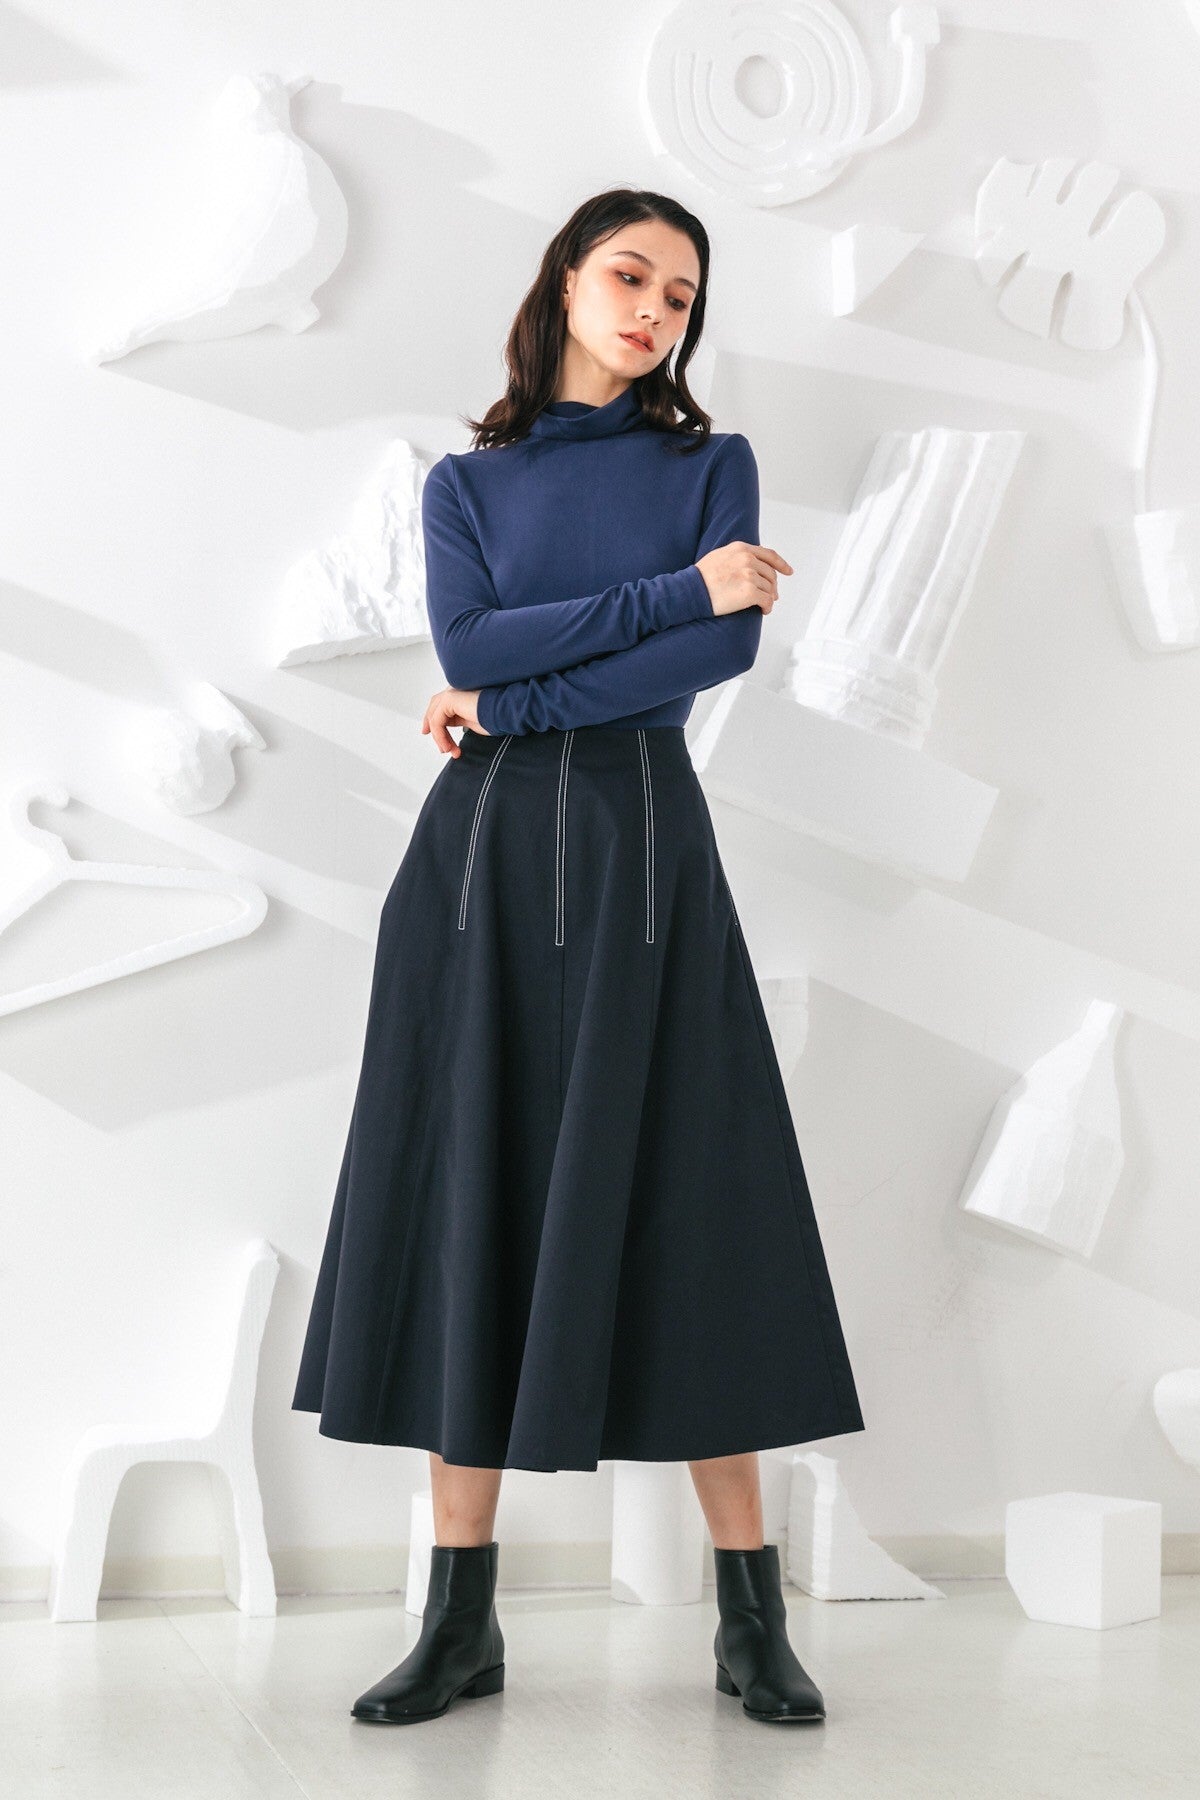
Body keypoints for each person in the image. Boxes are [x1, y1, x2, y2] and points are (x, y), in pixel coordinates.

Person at [292, 187, 866, 1728]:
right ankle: (458, 1622)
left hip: (642, 852)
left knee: (694, 1194)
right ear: (565, 279)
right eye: (631, 275)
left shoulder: (709, 464)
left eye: (681, 295)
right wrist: (671, 594)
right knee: (469, 1192)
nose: (655, 310)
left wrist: (522, 693)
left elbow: (713, 658)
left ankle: (751, 1622)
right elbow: (474, 650)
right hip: (478, 863)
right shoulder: (468, 484)